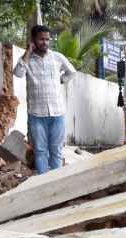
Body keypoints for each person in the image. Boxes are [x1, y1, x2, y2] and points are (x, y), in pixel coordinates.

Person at [13, 24, 76, 174]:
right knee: (40, 151)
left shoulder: (57, 57)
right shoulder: (27, 60)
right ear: (33, 40)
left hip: (57, 113)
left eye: (47, 39)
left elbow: (72, 72)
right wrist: (28, 52)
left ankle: (57, 182)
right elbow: (18, 73)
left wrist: (61, 80)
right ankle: (43, 182)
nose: (45, 42)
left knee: (56, 150)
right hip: (36, 114)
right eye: (41, 39)